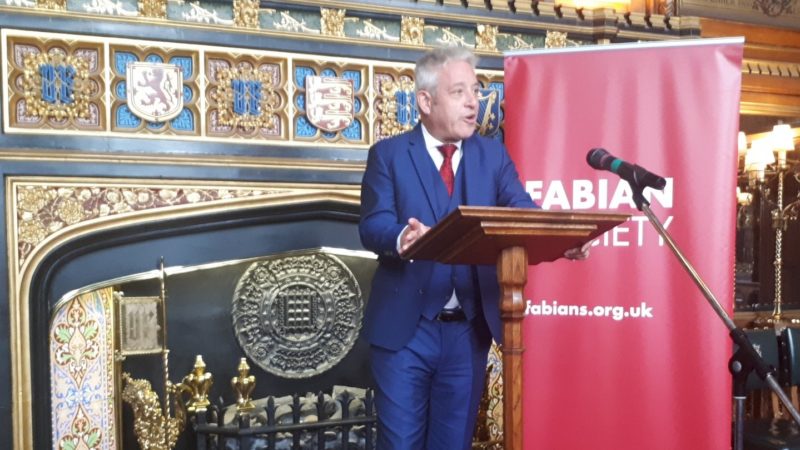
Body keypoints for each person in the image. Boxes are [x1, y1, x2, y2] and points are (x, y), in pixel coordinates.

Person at [359, 46, 541, 450]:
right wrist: (402, 238)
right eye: (459, 92)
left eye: (475, 90)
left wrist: (560, 236)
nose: (473, 102)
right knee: (401, 444)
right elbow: (372, 225)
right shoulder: (389, 155)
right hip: (405, 332)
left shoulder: (492, 155)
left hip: (467, 334)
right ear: (426, 101)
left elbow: (522, 209)